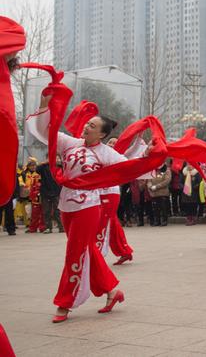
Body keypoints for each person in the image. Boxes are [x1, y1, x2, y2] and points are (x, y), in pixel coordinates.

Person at [26, 96, 129, 322]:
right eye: (87, 123)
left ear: (101, 134)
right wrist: (45, 106)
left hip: (89, 206)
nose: (86, 126)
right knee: (87, 250)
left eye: (92, 126)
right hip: (67, 204)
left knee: (74, 252)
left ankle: (65, 303)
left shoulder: (106, 153)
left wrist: (150, 156)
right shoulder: (70, 143)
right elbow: (47, 132)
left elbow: (130, 167)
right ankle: (112, 291)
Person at [96, 138, 135, 266]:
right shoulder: (99, 154)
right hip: (99, 192)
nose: (112, 144)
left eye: (115, 143)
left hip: (110, 192)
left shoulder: (118, 157)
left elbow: (133, 152)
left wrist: (138, 138)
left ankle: (99, 252)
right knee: (112, 222)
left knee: (105, 221)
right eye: (110, 142)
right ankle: (124, 251)